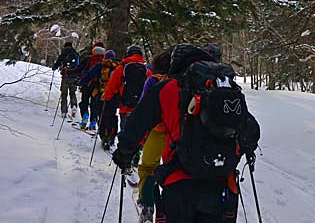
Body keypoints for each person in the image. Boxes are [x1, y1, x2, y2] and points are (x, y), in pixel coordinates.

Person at [113, 44, 260, 223]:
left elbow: (137, 124)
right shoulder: (226, 90)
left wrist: (124, 153)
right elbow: (251, 131)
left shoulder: (168, 88)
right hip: (220, 181)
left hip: (178, 182)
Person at [136, 49, 172, 223]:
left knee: (148, 167)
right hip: (177, 134)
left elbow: (144, 107)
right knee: (173, 170)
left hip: (157, 131)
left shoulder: (153, 80)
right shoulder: (183, 81)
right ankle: (169, 210)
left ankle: (148, 203)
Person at [102, 44, 150, 132]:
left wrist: (107, 97)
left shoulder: (122, 67)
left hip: (125, 105)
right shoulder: (146, 70)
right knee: (137, 131)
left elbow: (112, 84)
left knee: (125, 130)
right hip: (140, 106)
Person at [79, 49, 118, 135]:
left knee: (99, 110)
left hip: (101, 93)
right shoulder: (118, 67)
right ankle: (110, 135)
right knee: (111, 115)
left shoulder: (100, 65)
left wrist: (81, 82)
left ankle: (100, 130)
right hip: (114, 95)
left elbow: (89, 75)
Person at [78, 42, 105, 129]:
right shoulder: (105, 61)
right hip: (98, 87)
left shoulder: (88, 59)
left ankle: (85, 116)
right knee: (94, 104)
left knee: (84, 101)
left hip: (87, 84)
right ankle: (93, 122)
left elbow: (79, 69)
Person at [52, 41, 80, 119]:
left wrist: (54, 67)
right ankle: (74, 105)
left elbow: (57, 63)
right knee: (72, 92)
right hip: (74, 76)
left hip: (65, 76)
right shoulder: (75, 54)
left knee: (64, 94)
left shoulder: (63, 54)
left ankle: (64, 111)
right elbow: (78, 65)